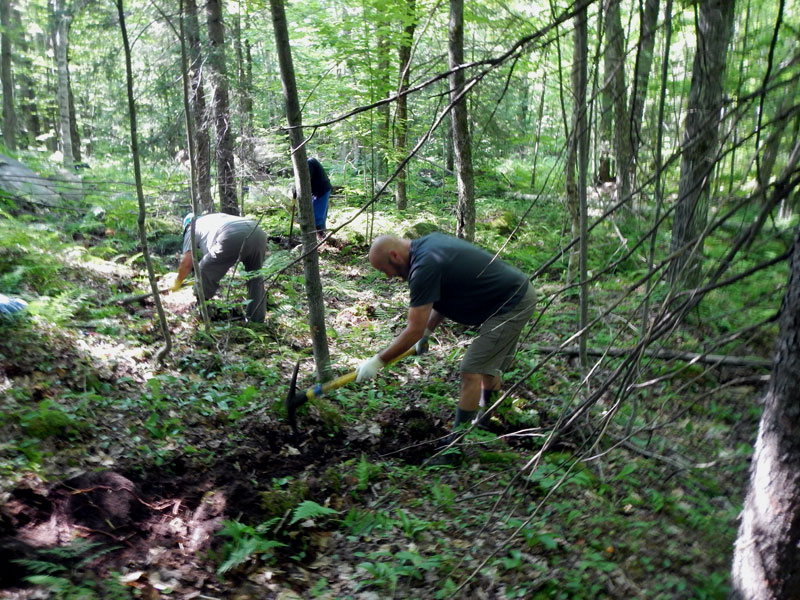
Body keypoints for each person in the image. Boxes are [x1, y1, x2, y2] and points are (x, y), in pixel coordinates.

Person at [355, 232, 537, 464]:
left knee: (471, 370)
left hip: (511, 303)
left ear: (394, 255)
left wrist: (378, 361)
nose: (388, 276)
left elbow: (412, 330)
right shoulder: (428, 245)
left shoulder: (424, 267)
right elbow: (442, 297)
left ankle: (455, 449)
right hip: (512, 294)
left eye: (385, 270)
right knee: (487, 367)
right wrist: (428, 332)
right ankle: (484, 424)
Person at [172, 212, 268, 323]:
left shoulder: (192, 228)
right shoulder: (212, 219)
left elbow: (187, 262)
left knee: (203, 270)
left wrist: (178, 281)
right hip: (257, 231)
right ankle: (256, 321)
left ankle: (203, 314)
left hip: (232, 234)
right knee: (256, 277)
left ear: (187, 225)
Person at [308, 157, 332, 239]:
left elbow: (306, 179)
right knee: (319, 215)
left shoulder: (309, 163)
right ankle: (322, 237)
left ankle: (321, 238)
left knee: (317, 217)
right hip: (320, 190)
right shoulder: (309, 161)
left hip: (322, 190)